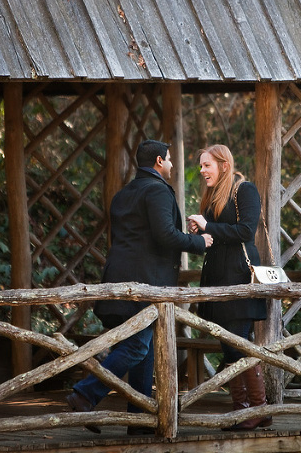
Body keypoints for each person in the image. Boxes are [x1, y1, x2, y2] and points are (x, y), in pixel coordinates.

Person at [66, 140, 213, 435]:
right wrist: (200, 242)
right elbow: (165, 236)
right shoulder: (156, 190)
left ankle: (141, 419)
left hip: (118, 277)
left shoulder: (123, 194)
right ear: (159, 161)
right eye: (169, 160)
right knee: (136, 346)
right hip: (145, 282)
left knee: (142, 351)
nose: (172, 165)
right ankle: (85, 394)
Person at [187, 144, 272, 431]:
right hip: (217, 279)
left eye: (206, 165)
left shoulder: (243, 189)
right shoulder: (213, 195)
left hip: (238, 278)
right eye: (201, 166)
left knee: (239, 344)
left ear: (223, 165)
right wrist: (201, 229)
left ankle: (257, 408)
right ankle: (242, 410)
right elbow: (219, 235)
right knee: (229, 345)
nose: (202, 171)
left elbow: (246, 231)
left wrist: (208, 226)